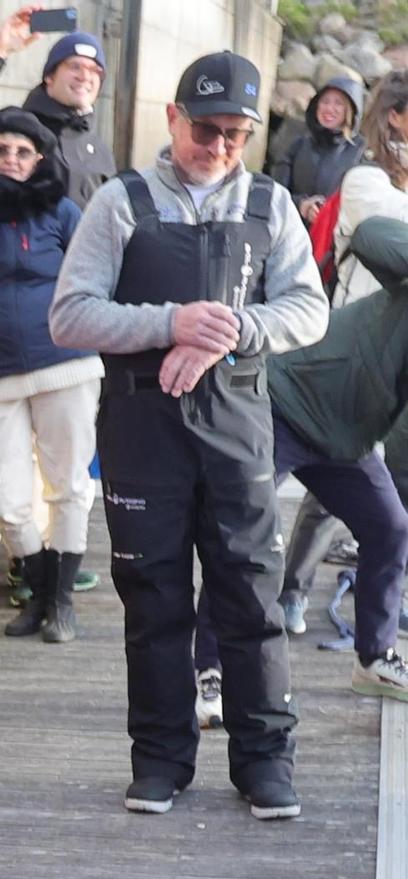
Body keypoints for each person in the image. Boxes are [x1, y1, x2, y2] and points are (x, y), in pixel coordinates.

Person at [48, 51, 327, 820]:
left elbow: (309, 310)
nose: (220, 149)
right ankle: (162, 759)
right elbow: (69, 314)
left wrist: (231, 328)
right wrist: (169, 323)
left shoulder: (270, 206)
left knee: (249, 591)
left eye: (238, 135)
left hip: (237, 420)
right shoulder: (122, 203)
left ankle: (265, 760)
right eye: (206, 130)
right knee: (154, 595)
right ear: (173, 118)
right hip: (143, 426)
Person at [191, 217, 408, 706]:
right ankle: (210, 669)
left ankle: (374, 658)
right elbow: (370, 234)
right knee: (244, 535)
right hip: (284, 402)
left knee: (390, 527)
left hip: (346, 439)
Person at [0, 107, 101, 644]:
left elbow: (96, 271)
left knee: (67, 484)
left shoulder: (61, 212)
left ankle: (59, 603)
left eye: (22, 152)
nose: (10, 160)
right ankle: (36, 578)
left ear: (40, 160)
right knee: (3, 493)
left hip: (65, 361)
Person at [279, 72, 408, 635]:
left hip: (397, 360)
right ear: (395, 117)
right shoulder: (366, 180)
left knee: (385, 501)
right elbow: (385, 234)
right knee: (331, 488)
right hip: (353, 353)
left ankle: (383, 617)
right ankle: (291, 589)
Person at [0, 10, 115, 207]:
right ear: (49, 77)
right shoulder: (18, 128)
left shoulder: (100, 150)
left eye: (95, 70)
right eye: (74, 66)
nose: (84, 76)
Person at [273, 73, 365, 223]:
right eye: (325, 101)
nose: (329, 108)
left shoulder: (361, 153)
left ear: (350, 110)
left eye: (338, 103)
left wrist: (327, 211)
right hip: (294, 230)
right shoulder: (297, 145)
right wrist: (301, 205)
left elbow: (362, 204)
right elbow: (275, 192)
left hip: (335, 236)